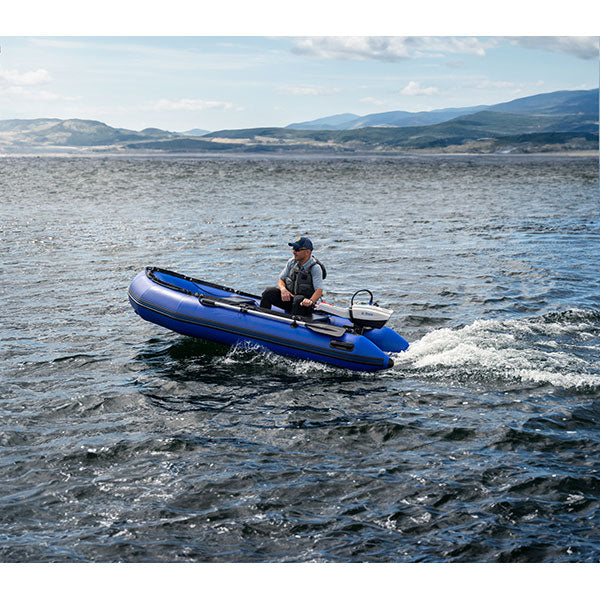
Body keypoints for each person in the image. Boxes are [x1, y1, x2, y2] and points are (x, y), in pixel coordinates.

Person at [260, 236, 326, 317]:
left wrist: (310, 301)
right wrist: (283, 289)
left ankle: (293, 322)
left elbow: (319, 291)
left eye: (297, 250)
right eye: (293, 249)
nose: (294, 252)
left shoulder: (315, 268)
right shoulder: (291, 262)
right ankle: (262, 317)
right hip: (289, 300)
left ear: (307, 252)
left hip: (303, 304)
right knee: (268, 292)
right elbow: (281, 280)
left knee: (298, 299)